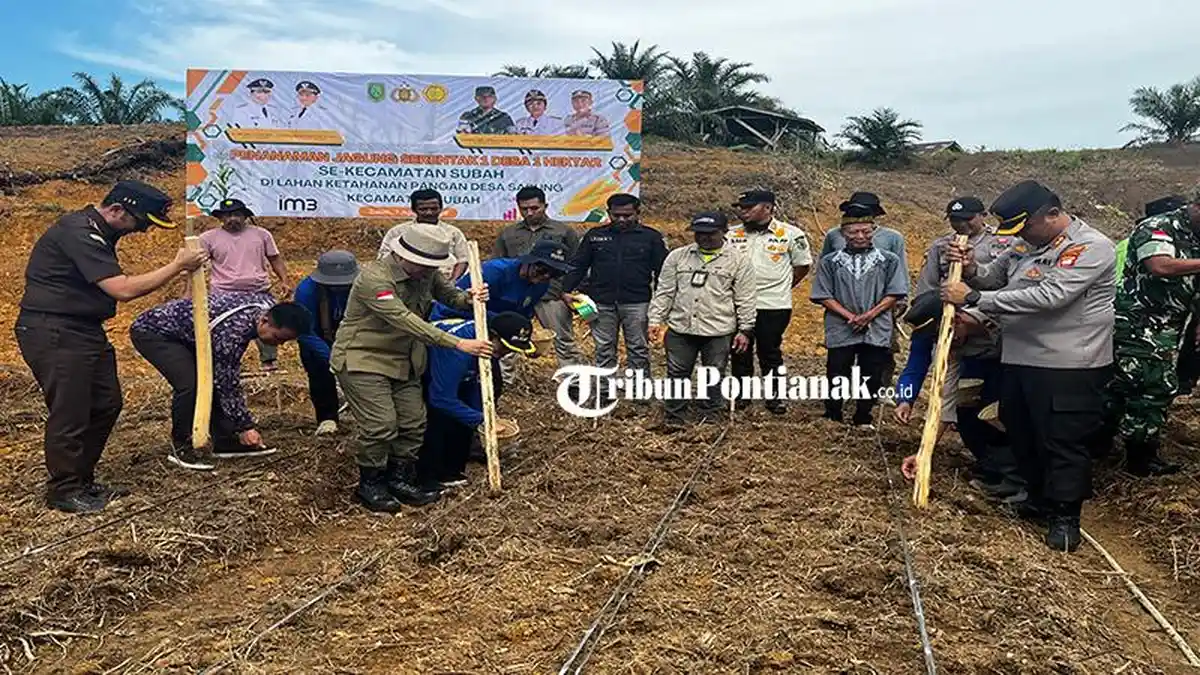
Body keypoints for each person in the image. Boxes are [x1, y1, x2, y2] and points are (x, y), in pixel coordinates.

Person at [942, 179, 1115, 553]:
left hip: (1068, 365)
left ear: (1052, 214)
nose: (1022, 237)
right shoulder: (1026, 242)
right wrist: (972, 270)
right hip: (1018, 358)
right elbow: (995, 274)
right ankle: (1037, 499)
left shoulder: (1090, 247)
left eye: (1028, 227)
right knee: (1021, 431)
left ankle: (1065, 517)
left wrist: (973, 297)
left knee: (1062, 441)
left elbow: (1051, 296)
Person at [15, 180, 207, 513]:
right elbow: (122, 289)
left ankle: (82, 480)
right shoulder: (79, 231)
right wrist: (177, 267)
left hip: (84, 330)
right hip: (54, 329)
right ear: (117, 210)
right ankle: (64, 490)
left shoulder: (100, 233)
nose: (144, 231)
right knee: (72, 409)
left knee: (106, 403)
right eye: (141, 222)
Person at [331, 223, 493, 513]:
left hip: (405, 360)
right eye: (424, 265)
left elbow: (450, 296)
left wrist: (470, 299)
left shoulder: (426, 274)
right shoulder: (375, 279)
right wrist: (457, 343)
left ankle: (401, 478)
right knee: (380, 424)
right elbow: (406, 320)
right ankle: (371, 483)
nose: (429, 271)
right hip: (363, 358)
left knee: (413, 423)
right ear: (405, 257)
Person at [130, 295, 311, 470]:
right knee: (190, 384)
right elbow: (227, 383)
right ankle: (181, 446)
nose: (279, 345)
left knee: (212, 378)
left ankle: (224, 440)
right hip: (155, 332)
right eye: (278, 338)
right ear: (264, 321)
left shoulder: (267, 305)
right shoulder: (233, 333)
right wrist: (245, 426)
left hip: (192, 332)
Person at [1103, 191, 1200, 477]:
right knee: (1150, 386)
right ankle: (1139, 459)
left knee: (1141, 387)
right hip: (1138, 323)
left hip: (1174, 325)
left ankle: (1118, 448)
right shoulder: (1159, 226)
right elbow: (1159, 266)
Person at [896, 291, 1025, 502]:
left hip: (1025, 365)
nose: (941, 342)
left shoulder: (997, 312)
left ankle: (1028, 482)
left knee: (1010, 414)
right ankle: (1001, 474)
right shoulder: (951, 348)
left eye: (940, 335)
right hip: (991, 368)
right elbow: (945, 398)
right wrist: (924, 453)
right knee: (971, 412)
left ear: (956, 319)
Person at [648, 212, 756, 424]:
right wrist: (655, 320)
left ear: (724, 232)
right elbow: (665, 291)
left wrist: (745, 329)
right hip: (681, 327)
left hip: (718, 329)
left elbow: (745, 297)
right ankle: (675, 416)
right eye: (699, 233)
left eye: (710, 234)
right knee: (677, 373)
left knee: (714, 374)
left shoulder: (739, 261)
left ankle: (712, 416)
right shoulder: (678, 256)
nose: (704, 238)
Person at [562, 194, 668, 396]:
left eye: (627, 215)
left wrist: (662, 303)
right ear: (609, 213)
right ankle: (604, 391)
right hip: (601, 302)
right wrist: (566, 290)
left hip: (637, 302)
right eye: (616, 215)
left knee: (638, 348)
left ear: (637, 213)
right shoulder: (594, 236)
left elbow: (663, 271)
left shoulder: (651, 237)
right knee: (604, 348)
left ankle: (639, 391)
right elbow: (579, 265)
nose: (621, 220)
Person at [810, 211, 908, 427]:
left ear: (873, 231)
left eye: (866, 231)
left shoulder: (888, 260)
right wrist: (850, 316)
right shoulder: (830, 262)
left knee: (872, 371)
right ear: (843, 234)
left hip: (877, 324)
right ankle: (833, 414)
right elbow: (823, 294)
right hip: (841, 325)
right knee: (837, 370)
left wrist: (870, 315)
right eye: (854, 231)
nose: (861, 236)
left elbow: (896, 291)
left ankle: (863, 416)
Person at [419, 312, 537, 488]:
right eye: (504, 348)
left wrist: (482, 415)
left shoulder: (486, 348)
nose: (506, 354)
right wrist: (483, 420)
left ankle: (453, 470)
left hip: (460, 376)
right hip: (426, 372)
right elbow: (440, 398)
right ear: (492, 335)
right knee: (439, 418)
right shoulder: (458, 351)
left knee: (466, 413)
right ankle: (427, 476)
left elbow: (474, 382)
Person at [725, 189, 812, 414]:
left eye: (749, 207)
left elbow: (802, 266)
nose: (743, 212)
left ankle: (775, 397)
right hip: (738, 303)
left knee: (770, 351)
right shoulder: (730, 234)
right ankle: (742, 396)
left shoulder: (791, 234)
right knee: (739, 351)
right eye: (741, 208)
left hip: (773, 304)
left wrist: (783, 286)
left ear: (768, 207)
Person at [820, 192, 909, 389]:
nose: (860, 236)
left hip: (882, 303)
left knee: (881, 349)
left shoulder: (892, 237)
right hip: (843, 305)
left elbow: (900, 269)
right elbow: (826, 266)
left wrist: (900, 300)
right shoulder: (834, 235)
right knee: (841, 354)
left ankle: (878, 390)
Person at [492, 186, 585, 370]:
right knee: (508, 338)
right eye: (524, 209)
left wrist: (569, 290)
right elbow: (499, 261)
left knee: (563, 340)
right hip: (515, 297)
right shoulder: (508, 233)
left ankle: (573, 381)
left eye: (535, 208)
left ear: (545, 205)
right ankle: (504, 380)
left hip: (552, 295)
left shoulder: (563, 231)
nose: (529, 213)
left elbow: (575, 264)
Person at [198, 198, 291, 370]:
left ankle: (269, 361)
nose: (232, 219)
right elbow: (196, 264)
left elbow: (275, 259)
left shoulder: (262, 234)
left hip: (258, 290)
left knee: (268, 320)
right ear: (221, 218)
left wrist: (284, 281)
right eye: (227, 216)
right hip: (223, 293)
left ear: (245, 216)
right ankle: (227, 364)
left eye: (236, 215)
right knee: (224, 329)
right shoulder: (207, 238)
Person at [293, 250, 359, 435]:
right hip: (318, 337)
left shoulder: (364, 286)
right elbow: (305, 330)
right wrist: (331, 357)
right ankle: (327, 418)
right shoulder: (306, 290)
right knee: (319, 373)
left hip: (353, 335)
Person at [379, 189, 470, 281]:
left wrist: (452, 282)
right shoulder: (398, 232)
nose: (429, 212)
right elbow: (384, 258)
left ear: (441, 208)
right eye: (423, 209)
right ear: (414, 209)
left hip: (444, 282)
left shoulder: (453, 233)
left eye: (434, 209)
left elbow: (462, 260)